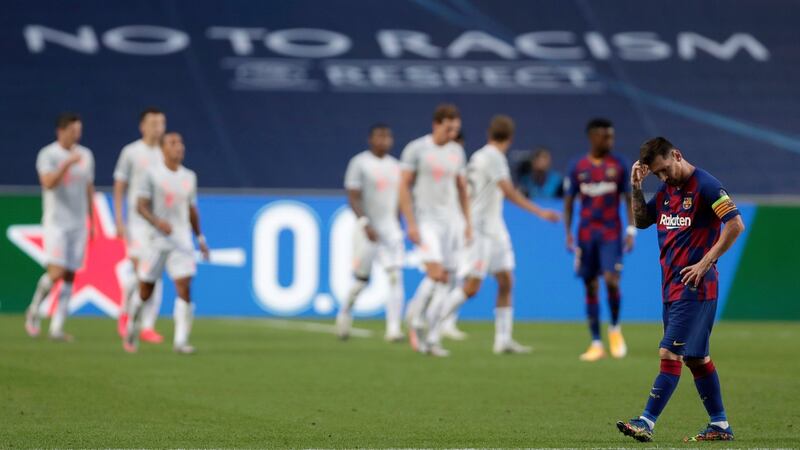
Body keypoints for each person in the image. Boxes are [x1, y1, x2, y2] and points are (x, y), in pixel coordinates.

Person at [617, 137, 744, 443]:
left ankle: (646, 421)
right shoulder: (666, 190)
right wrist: (636, 185)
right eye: (656, 174)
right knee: (696, 358)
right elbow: (643, 221)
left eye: (665, 169)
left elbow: (735, 225)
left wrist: (705, 263)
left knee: (669, 352)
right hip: (671, 287)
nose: (663, 177)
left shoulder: (707, 186)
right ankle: (720, 425)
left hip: (695, 286)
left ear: (676, 155)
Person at [426, 115, 560, 354]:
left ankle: (503, 340)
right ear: (510, 138)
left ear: (489, 133)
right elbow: (508, 191)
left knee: (506, 280)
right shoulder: (494, 157)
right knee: (471, 287)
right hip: (481, 229)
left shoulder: (480, 156)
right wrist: (540, 212)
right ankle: (431, 330)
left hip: (494, 228)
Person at [123, 132, 209, 354]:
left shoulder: (189, 176)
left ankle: (181, 341)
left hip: (181, 241)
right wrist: (157, 222)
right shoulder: (151, 174)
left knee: (184, 287)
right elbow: (140, 206)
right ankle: (132, 325)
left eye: (181, 143)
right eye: (173, 143)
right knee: (146, 290)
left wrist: (200, 238)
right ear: (162, 149)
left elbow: (192, 210)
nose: (179, 147)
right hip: (156, 241)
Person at [399, 103, 471, 357]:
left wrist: (467, 223)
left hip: (451, 222)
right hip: (426, 221)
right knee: (435, 273)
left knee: (447, 281)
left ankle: (432, 337)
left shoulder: (457, 152)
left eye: (456, 129)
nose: (453, 133)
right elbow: (403, 186)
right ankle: (415, 318)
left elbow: (462, 188)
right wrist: (411, 223)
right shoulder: (416, 149)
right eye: (449, 128)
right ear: (436, 124)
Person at [563, 118, 635, 361]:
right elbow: (569, 202)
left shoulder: (619, 164)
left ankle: (614, 329)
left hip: (611, 233)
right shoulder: (578, 166)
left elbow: (628, 198)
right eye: (605, 136)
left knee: (612, 281)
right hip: (586, 234)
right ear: (593, 137)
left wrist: (631, 230)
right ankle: (596, 342)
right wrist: (568, 232)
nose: (610, 141)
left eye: (611, 136)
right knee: (590, 285)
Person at [25, 113, 95, 341]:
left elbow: (88, 188)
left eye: (79, 131)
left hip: (79, 224)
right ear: (61, 131)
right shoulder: (48, 154)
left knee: (70, 275)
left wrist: (92, 221)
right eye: (73, 131)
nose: (77, 135)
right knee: (56, 272)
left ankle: (57, 328)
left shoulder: (86, 155)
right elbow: (48, 183)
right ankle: (34, 309)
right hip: (56, 223)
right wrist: (66, 164)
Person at [336, 124, 405, 342]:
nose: (384, 140)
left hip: (390, 231)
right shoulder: (360, 163)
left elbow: (398, 199)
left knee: (394, 276)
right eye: (379, 136)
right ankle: (345, 312)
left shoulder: (396, 166)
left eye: (387, 136)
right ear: (370, 139)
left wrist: (398, 223)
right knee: (361, 280)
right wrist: (365, 223)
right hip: (367, 230)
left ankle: (393, 329)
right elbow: (353, 196)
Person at [113, 107, 167, 343]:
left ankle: (147, 326)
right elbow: (120, 186)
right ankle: (126, 310)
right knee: (142, 272)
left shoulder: (166, 151)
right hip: (137, 223)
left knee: (155, 275)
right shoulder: (131, 152)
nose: (158, 128)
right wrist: (119, 219)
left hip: (159, 224)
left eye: (161, 123)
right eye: (153, 123)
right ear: (142, 126)